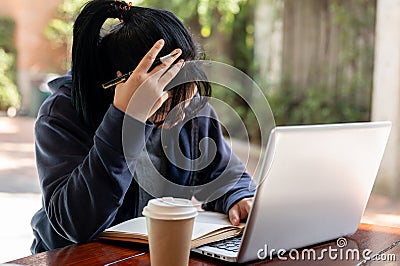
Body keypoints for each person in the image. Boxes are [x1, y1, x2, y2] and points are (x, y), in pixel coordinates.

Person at [30, 0, 254, 253]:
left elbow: (225, 176)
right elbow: (76, 225)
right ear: (125, 83)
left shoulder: (188, 106)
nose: (186, 105)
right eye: (171, 89)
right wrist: (126, 118)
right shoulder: (61, 114)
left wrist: (240, 197)